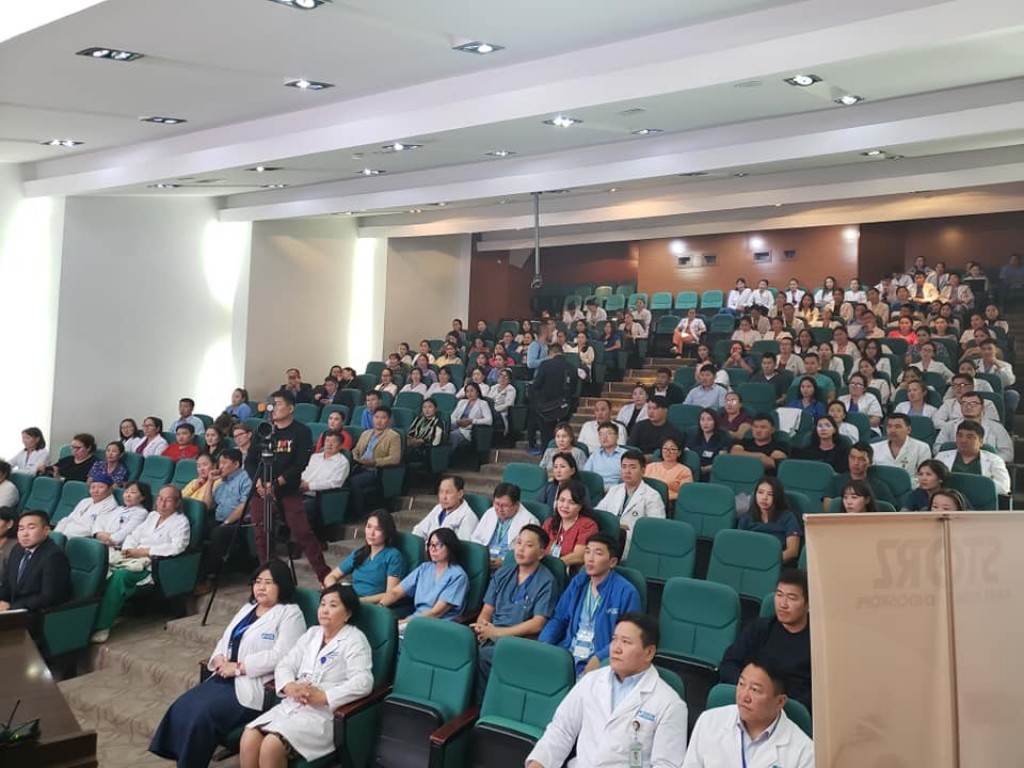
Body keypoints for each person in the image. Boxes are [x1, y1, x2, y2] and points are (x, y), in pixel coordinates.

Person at [150, 561, 307, 768]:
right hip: (224, 677)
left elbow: (281, 656)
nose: (261, 587)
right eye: (257, 581)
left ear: (282, 585)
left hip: (254, 684)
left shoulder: (290, 614)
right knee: (183, 705)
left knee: (202, 715)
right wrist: (219, 658)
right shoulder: (248, 608)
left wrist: (240, 667)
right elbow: (226, 639)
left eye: (268, 583)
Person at [527, 613, 688, 768]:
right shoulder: (591, 681)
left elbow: (666, 764)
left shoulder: (670, 704)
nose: (616, 648)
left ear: (649, 652)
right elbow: (562, 730)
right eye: (614, 639)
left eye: (626, 642)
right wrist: (538, 763)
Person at [241, 584, 372, 766]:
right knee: (249, 736)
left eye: (333, 605)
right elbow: (285, 664)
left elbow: (363, 681)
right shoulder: (312, 634)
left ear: (347, 614)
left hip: (322, 715)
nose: (325, 610)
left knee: (271, 745)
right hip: (292, 705)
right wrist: (289, 686)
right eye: (322, 604)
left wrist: (325, 696)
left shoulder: (355, 639)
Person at [91, 485, 191, 643]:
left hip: (152, 564)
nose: (162, 503)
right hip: (132, 556)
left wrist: (145, 551)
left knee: (120, 577)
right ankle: (91, 618)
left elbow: (177, 547)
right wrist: (128, 550)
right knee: (102, 569)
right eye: (160, 499)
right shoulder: (152, 516)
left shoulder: (181, 522)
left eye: (168, 500)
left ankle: (102, 625)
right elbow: (133, 535)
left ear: (177, 503)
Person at [245, 390, 327, 582]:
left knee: (302, 532)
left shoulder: (301, 431)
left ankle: (324, 575)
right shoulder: (263, 430)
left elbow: (300, 464)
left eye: (278, 403)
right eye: (271, 403)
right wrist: (259, 482)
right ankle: (269, 577)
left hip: (287, 488)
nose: (273, 407)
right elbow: (250, 461)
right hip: (260, 489)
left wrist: (275, 484)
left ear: (290, 408)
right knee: (262, 535)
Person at [539, 532, 642, 676]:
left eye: (598, 553)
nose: (590, 559)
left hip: (600, 659)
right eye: (587, 552)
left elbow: (628, 637)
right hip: (568, 653)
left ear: (612, 562)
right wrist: (544, 643)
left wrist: (600, 657)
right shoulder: (578, 583)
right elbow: (559, 619)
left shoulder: (626, 592)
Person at [472, 524, 559, 689]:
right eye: (519, 543)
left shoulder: (546, 581)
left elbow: (538, 623)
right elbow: (487, 610)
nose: (521, 549)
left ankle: (480, 702)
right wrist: (482, 626)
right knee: (459, 649)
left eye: (529, 545)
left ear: (541, 553)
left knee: (481, 656)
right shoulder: (503, 573)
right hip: (490, 635)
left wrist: (497, 632)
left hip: (518, 641)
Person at [683, 660, 814, 768]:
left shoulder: (804, 752)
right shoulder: (709, 721)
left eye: (755, 690)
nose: (744, 696)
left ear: (780, 701)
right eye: (741, 684)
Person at [719, 568, 811, 711]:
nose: (783, 604)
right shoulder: (760, 628)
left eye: (792, 598)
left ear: (808, 603)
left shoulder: (818, 642)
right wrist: (750, 690)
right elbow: (729, 663)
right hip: (750, 702)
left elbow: (819, 692)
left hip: (791, 710)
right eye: (779, 595)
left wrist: (782, 705)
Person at [380, 527, 469, 626]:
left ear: (450, 547)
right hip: (415, 620)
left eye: (438, 545)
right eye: (430, 544)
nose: (433, 549)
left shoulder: (458, 576)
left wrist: (401, 623)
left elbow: (436, 612)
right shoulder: (425, 568)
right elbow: (396, 592)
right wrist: (379, 607)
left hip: (438, 625)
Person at [195, 449, 255, 594]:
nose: (220, 466)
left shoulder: (245, 479)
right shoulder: (222, 482)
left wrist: (227, 522)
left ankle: (211, 578)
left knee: (218, 533)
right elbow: (207, 505)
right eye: (219, 462)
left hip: (239, 524)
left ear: (236, 464)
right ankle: (195, 574)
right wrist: (210, 482)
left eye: (224, 463)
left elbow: (245, 505)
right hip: (220, 520)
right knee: (198, 528)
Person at [0, 509, 71, 628]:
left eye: (31, 528)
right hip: (15, 608)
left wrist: (11, 608)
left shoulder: (53, 556)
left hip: (36, 614)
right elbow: (7, 583)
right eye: (21, 529)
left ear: (46, 530)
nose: (25, 534)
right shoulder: (17, 549)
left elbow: (48, 597)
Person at [323, 510, 406, 602]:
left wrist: (360, 601)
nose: (371, 533)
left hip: (370, 604)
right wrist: (337, 593)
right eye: (369, 527)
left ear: (387, 533)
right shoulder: (359, 553)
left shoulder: (393, 556)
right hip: (350, 600)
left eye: (378, 529)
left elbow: (391, 594)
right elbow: (331, 576)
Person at [596, 450, 666, 558]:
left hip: (633, 545)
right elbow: (598, 514)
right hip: (607, 540)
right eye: (624, 467)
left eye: (633, 467)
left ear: (643, 470)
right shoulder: (614, 490)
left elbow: (656, 528)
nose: (627, 471)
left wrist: (623, 529)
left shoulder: (652, 496)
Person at [347, 405, 402, 518]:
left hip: (375, 470)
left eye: (383, 418)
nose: (379, 420)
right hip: (358, 466)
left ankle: (357, 513)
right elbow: (355, 450)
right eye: (376, 417)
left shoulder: (393, 436)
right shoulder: (366, 433)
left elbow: (395, 458)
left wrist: (375, 461)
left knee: (354, 482)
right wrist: (356, 457)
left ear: (389, 420)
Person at [470, 482, 539, 568]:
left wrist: (505, 561)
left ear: (516, 504)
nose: (499, 509)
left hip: (510, 567)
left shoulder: (530, 521)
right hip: (484, 563)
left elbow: (529, 554)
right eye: (497, 504)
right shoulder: (490, 513)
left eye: (505, 505)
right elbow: (475, 540)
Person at [935, 420, 1011, 497]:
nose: (963, 440)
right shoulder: (941, 457)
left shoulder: (994, 460)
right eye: (960, 436)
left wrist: (975, 487)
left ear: (981, 442)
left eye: (969, 437)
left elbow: (1004, 487)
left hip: (981, 499)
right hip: (947, 500)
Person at [933, 390, 1013, 463]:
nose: (968, 406)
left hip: (987, 466)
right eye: (964, 403)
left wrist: (987, 460)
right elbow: (937, 447)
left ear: (982, 407)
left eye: (973, 403)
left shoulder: (997, 427)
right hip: (954, 463)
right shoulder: (949, 425)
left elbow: (1008, 453)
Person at [737, 478, 801, 564]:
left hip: (777, 564)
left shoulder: (788, 517)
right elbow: (739, 546)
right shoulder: (746, 518)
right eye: (760, 492)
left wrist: (769, 563)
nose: (764, 498)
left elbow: (792, 551)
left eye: (770, 494)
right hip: (750, 562)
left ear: (777, 497)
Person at [526, 343, 575, 454]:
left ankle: (546, 457)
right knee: (562, 435)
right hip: (564, 407)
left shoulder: (545, 365)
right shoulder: (571, 367)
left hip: (546, 407)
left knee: (546, 437)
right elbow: (574, 389)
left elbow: (536, 384)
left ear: (550, 353)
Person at [542, 480, 600, 572]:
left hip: (569, 573)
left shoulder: (587, 525)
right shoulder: (549, 523)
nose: (565, 506)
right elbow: (538, 547)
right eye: (562, 500)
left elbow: (579, 556)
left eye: (571, 502)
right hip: (543, 569)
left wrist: (553, 566)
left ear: (580, 506)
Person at [871, 414, 932, 488]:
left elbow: (924, 477)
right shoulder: (874, 447)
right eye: (889, 426)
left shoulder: (922, 448)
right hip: (881, 489)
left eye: (897, 427)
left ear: (908, 430)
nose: (892, 430)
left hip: (910, 489)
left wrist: (900, 485)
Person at [411, 474, 478, 541]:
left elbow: (462, 544)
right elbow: (420, 530)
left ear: (460, 494)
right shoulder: (438, 508)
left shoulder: (468, 517)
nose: (444, 497)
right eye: (441, 492)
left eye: (448, 492)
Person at [54, 472, 120, 538]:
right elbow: (68, 519)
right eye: (93, 487)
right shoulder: (85, 501)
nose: (95, 491)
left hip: (78, 538)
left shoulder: (111, 506)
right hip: (63, 534)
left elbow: (93, 530)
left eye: (101, 487)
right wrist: (56, 535)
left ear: (110, 489)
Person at [686, 407, 731, 481]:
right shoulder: (693, 435)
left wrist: (704, 469)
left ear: (715, 421)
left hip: (713, 474)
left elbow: (721, 461)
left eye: (709, 419)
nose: (705, 423)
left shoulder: (723, 437)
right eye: (702, 419)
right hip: (693, 472)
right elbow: (688, 455)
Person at [644, 436, 693, 502]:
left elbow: (685, 494)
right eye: (665, 448)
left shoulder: (685, 471)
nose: (668, 452)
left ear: (679, 452)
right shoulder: (650, 467)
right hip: (646, 500)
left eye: (672, 449)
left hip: (669, 503)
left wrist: (661, 497)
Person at [584, 422, 627, 490]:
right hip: (595, 491)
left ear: (617, 436)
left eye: (608, 433)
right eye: (601, 434)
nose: (604, 437)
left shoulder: (626, 455)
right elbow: (586, 475)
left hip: (617, 490)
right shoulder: (594, 455)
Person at [449, 381, 492, 448]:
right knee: (442, 432)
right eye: (467, 391)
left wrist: (472, 421)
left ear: (477, 392)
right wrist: (458, 421)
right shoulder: (462, 402)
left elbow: (489, 420)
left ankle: (446, 454)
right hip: (456, 425)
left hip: (468, 430)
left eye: (472, 391)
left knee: (453, 436)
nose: (469, 393)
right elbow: (451, 417)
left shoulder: (483, 403)